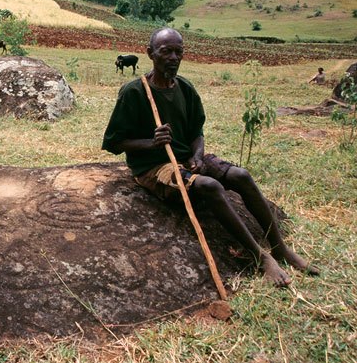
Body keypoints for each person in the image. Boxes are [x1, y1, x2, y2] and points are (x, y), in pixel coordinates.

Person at [102, 27, 318, 287]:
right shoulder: (134, 92)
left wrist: (198, 155)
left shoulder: (185, 88)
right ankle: (260, 257)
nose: (173, 57)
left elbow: (197, 132)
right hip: (154, 166)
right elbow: (114, 142)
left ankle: (280, 247)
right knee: (209, 185)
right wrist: (151, 142)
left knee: (240, 175)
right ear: (150, 53)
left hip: (186, 157)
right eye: (165, 51)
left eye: (178, 52)